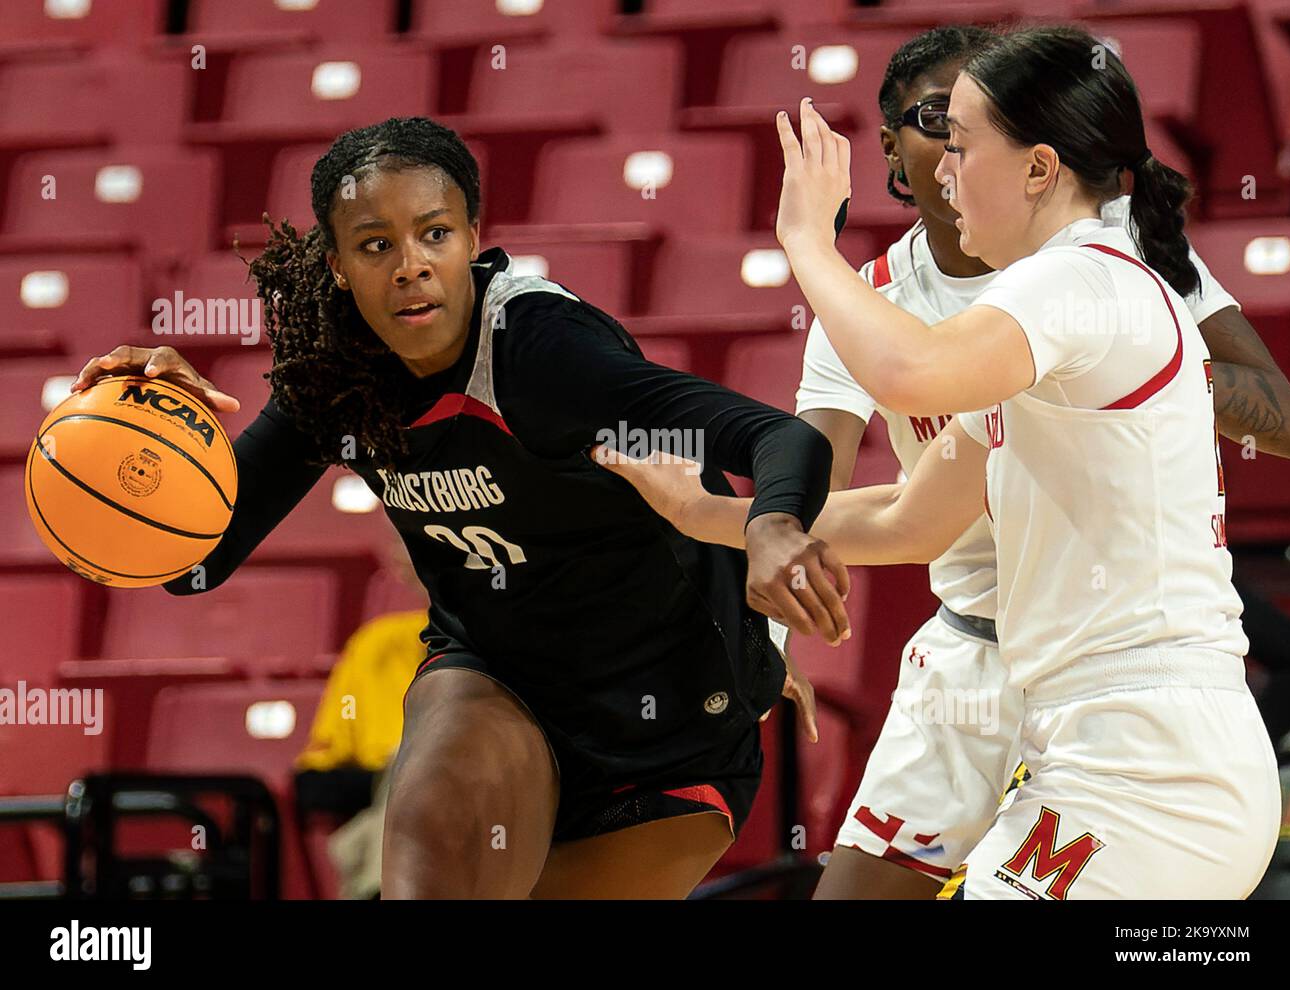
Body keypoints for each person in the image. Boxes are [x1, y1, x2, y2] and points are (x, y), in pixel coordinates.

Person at [70, 116, 846, 899]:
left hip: (676, 715)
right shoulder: (335, 374)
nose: (411, 266)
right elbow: (194, 565)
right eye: (376, 245)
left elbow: (778, 438)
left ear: (473, 237)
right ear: (337, 264)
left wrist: (774, 527)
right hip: (500, 681)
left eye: (434, 234)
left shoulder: (541, 352)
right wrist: (161, 438)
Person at [602, 26, 1283, 898]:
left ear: (1039, 170)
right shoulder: (1037, 318)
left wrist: (808, 243)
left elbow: (910, 371)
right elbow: (910, 517)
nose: (944, 172)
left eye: (962, 146)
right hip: (1081, 726)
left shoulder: (1075, 281)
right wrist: (700, 515)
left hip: (1147, 754)